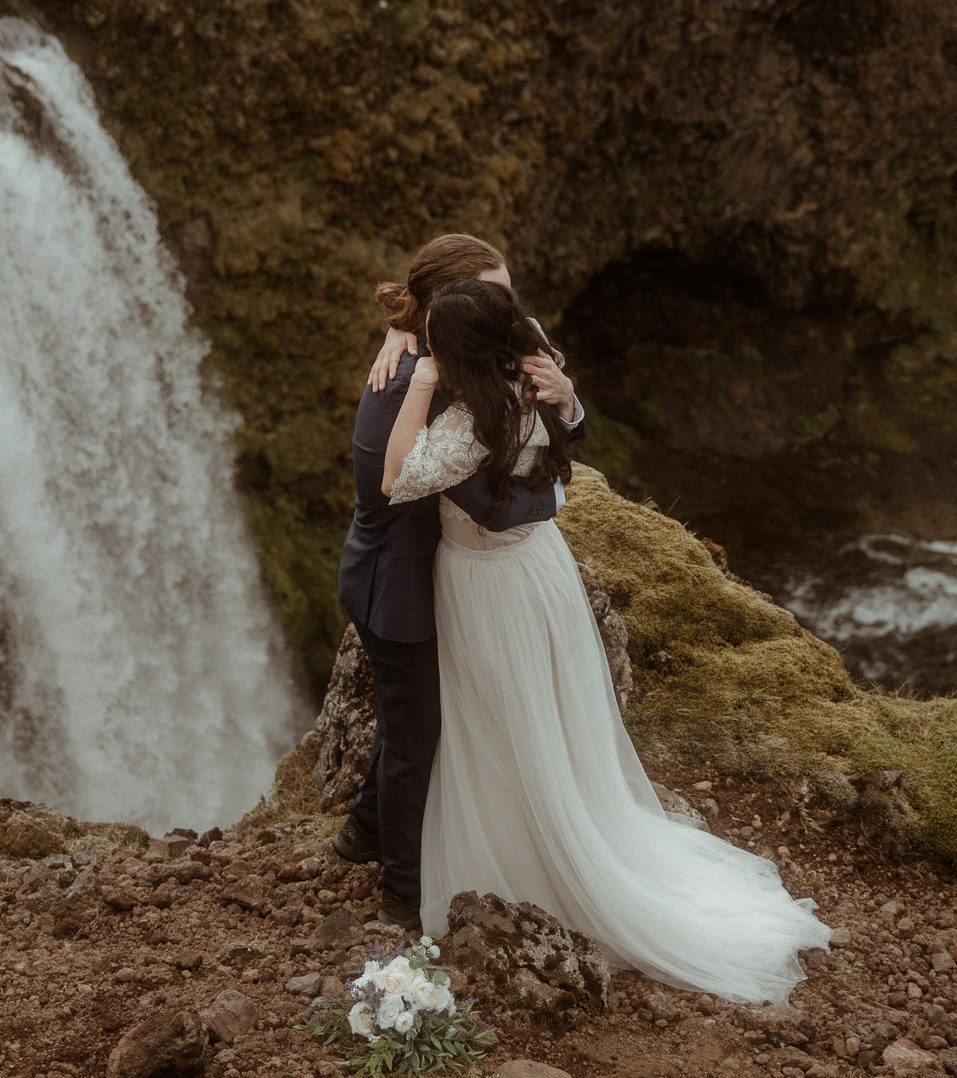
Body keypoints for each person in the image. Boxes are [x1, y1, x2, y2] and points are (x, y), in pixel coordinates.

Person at [386, 277, 831, 1003]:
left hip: (487, 584)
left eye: (435, 339)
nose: (426, 346)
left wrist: (420, 382)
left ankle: (526, 869)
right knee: (537, 717)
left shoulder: (471, 417)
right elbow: (561, 415)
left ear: (457, 352)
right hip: (538, 567)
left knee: (502, 724)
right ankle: (546, 837)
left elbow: (397, 475)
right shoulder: (528, 377)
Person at [334, 234, 584, 930]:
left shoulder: (479, 338)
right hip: (398, 584)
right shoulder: (400, 390)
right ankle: (402, 897)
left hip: (449, 573)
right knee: (418, 738)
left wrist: (568, 403)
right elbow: (456, 491)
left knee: (410, 719)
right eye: (498, 297)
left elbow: (542, 390)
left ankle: (361, 828)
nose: (514, 315)